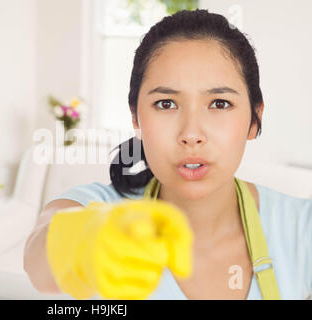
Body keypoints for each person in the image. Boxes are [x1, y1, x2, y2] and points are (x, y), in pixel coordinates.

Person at [23, 9, 312, 300]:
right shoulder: (97, 209)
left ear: (254, 119)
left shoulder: (301, 228)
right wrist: (86, 243)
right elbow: (38, 260)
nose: (191, 133)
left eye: (220, 104)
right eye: (166, 104)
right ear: (136, 119)